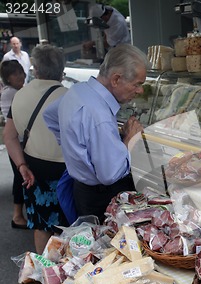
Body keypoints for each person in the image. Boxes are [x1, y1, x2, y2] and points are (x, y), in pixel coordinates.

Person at [44, 44, 146, 223]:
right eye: (137, 84)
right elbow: (109, 175)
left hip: (82, 189)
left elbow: (50, 115)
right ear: (116, 80)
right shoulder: (100, 117)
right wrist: (129, 140)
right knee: (107, 245)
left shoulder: (78, 90)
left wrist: (75, 147)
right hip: (100, 197)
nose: (140, 91)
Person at [3, 44, 68, 253]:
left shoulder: (20, 95)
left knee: (41, 225)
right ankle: (70, 278)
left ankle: (44, 275)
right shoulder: (69, 97)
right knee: (69, 227)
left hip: (33, 169)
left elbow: (10, 137)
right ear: (61, 70)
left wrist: (21, 165)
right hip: (67, 172)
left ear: (36, 69)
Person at [0, 60, 28, 229]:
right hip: (17, 143)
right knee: (21, 178)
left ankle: (19, 214)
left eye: (21, 72)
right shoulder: (12, 93)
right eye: (15, 74)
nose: (21, 76)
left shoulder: (13, 91)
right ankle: (17, 216)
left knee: (21, 178)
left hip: (17, 142)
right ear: (8, 78)